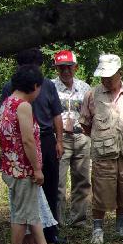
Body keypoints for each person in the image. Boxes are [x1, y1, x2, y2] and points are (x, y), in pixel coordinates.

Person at [0, 65, 63, 244]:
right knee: (21, 215)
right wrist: (36, 168)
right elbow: (27, 140)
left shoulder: (6, 103)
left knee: (31, 211)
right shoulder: (22, 106)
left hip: (10, 165)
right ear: (34, 86)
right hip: (22, 168)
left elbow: (5, 134)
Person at [79, 54, 123, 244]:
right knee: (101, 192)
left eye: (110, 76)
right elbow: (85, 125)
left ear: (120, 73)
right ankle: (97, 229)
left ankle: (121, 227)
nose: (105, 80)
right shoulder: (92, 95)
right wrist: (102, 139)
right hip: (103, 155)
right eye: (103, 76)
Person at [52, 50, 92, 227]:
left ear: (75, 67)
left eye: (69, 67)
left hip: (81, 137)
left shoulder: (84, 88)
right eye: (61, 68)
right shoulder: (50, 87)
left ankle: (78, 219)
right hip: (60, 139)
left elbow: (92, 112)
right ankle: (57, 221)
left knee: (82, 180)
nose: (65, 71)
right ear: (57, 69)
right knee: (58, 182)